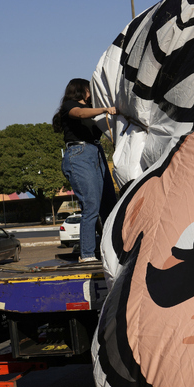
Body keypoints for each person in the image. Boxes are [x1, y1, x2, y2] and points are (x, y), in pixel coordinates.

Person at [53, 78, 118, 263]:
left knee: (109, 204)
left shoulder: (92, 110)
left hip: (96, 153)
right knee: (91, 205)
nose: (92, 92)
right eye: (89, 89)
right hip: (79, 154)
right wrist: (105, 109)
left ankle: (112, 250)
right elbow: (80, 114)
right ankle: (87, 254)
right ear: (81, 90)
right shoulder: (70, 106)